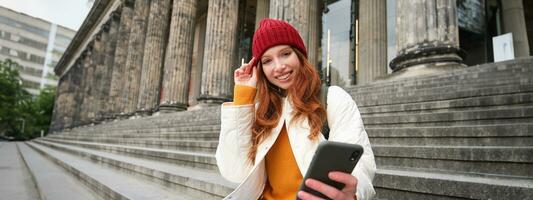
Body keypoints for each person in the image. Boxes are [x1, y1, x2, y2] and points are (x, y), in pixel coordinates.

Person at [216, 18, 376, 200]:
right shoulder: (259, 111)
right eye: (267, 61)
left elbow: (361, 162)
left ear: (299, 55)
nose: (279, 66)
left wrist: (353, 193)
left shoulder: (332, 98)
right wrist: (243, 95)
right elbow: (234, 171)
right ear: (260, 69)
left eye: (285, 54)